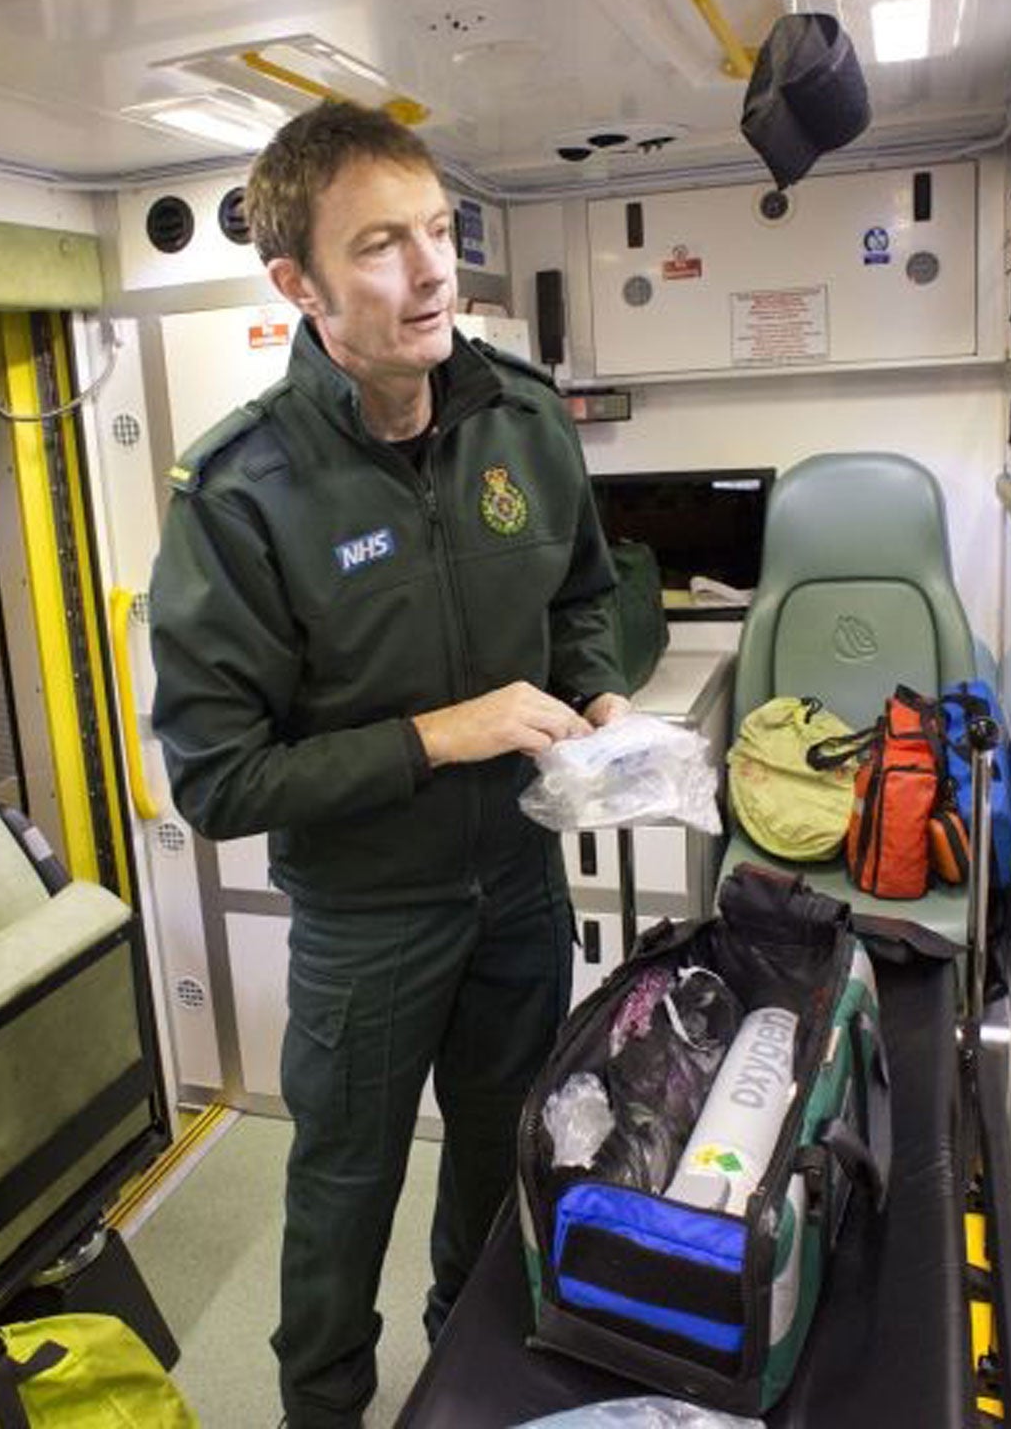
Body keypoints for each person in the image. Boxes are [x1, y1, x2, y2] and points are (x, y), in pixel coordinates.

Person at [147, 100, 630, 1429]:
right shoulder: (242, 494)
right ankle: (323, 1411)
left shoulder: (524, 423)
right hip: (369, 921)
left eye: (436, 234)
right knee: (344, 1190)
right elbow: (221, 781)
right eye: (379, 246)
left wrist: (599, 690)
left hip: (521, 891)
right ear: (295, 281)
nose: (429, 275)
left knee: (500, 1163)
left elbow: (587, 597)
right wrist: (439, 735)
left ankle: (464, 1376)